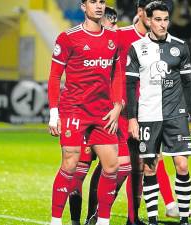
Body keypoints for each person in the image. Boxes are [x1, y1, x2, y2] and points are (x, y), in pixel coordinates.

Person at [126, 2, 191, 225]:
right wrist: (132, 118)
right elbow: (131, 85)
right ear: (148, 20)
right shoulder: (136, 47)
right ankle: (152, 220)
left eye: (166, 19)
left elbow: (188, 84)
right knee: (150, 168)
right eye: (158, 19)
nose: (162, 24)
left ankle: (184, 219)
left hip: (175, 116)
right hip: (148, 116)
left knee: (182, 165)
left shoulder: (180, 47)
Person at [47, 0, 123, 224]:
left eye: (102, 2)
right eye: (93, 2)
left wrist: (117, 106)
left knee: (112, 166)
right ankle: (55, 220)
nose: (98, 6)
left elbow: (117, 74)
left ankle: (103, 221)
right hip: (74, 111)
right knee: (70, 165)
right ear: (83, 6)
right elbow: (54, 77)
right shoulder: (68, 38)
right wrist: (54, 114)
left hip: (103, 113)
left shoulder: (112, 38)